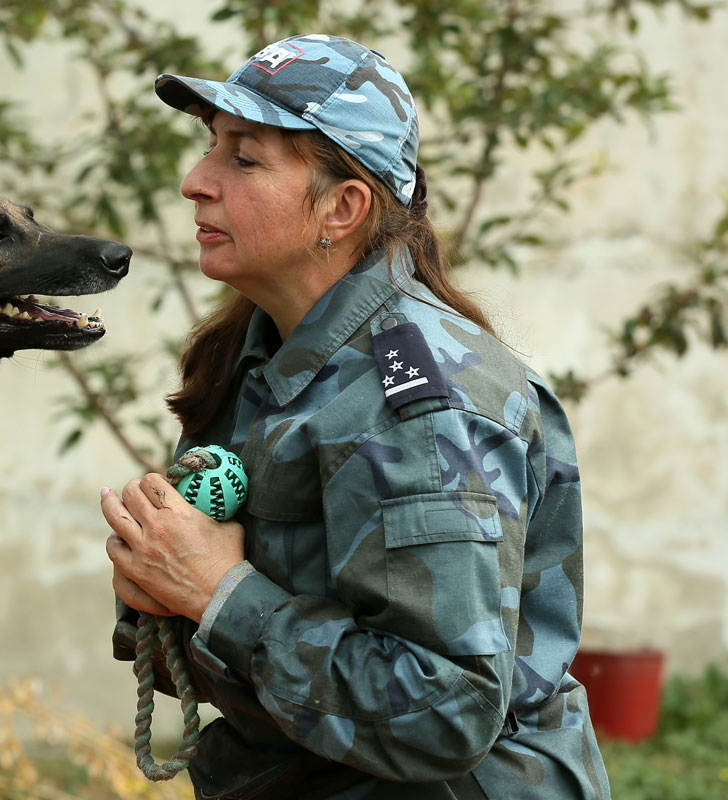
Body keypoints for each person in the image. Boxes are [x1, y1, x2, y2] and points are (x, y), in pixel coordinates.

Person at [100, 34, 611, 799]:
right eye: (212, 148)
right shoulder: (261, 350)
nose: (195, 182)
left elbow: (446, 711)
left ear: (342, 208)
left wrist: (219, 594)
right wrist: (162, 580)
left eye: (244, 158)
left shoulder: (422, 406)